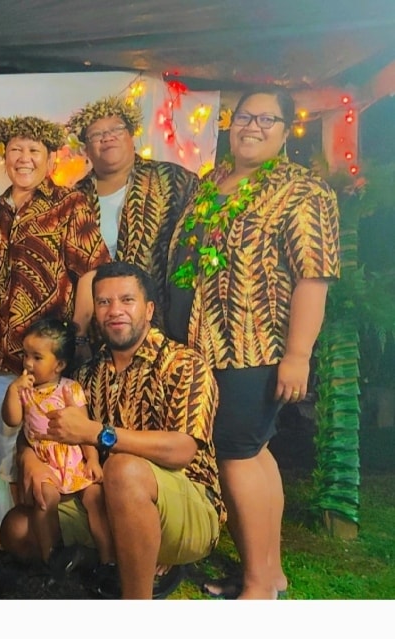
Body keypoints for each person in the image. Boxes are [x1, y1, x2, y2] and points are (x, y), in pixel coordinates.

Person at [166, 86, 340, 599]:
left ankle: (259, 587)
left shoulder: (302, 191)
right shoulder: (211, 182)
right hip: (200, 346)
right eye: (245, 116)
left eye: (268, 120)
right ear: (230, 123)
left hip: (252, 347)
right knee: (255, 453)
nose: (253, 127)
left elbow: (315, 276)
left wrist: (298, 355)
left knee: (235, 455)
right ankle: (270, 570)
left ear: (287, 132)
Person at [0, 261, 225, 600]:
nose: (115, 311)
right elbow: (40, 425)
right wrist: (28, 457)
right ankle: (114, 562)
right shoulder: (88, 374)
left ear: (148, 309)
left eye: (127, 300)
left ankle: (136, 599)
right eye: (104, 302)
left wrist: (98, 433)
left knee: (123, 468)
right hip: (107, 499)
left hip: (187, 504)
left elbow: (183, 450)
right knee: (16, 529)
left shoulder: (184, 364)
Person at [0, 115, 111, 504]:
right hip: (2, 352)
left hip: (48, 357)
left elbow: (90, 270)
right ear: (5, 157)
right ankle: (22, 537)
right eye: (16, 150)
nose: (24, 158)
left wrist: (74, 335)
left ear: (50, 157)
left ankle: (61, 539)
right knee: (9, 451)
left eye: (34, 150)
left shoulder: (71, 204)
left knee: (57, 449)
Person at [67, 95, 199, 326]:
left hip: (160, 320)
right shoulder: (75, 198)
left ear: (131, 135)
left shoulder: (174, 180)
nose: (107, 137)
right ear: (86, 148)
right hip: (99, 321)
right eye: (96, 134)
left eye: (116, 129)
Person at [1, 317, 111, 574]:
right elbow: (12, 419)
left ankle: (109, 560)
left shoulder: (69, 390)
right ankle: (52, 556)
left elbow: (84, 431)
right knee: (43, 499)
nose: (27, 363)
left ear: (59, 364)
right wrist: (12, 392)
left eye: (37, 357)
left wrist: (92, 461)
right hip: (45, 463)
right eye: (25, 355)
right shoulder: (23, 391)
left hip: (74, 460)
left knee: (94, 499)